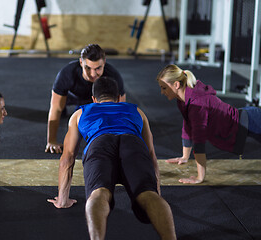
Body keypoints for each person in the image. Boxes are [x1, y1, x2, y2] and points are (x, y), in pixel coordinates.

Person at [48, 77, 176, 240]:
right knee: (148, 195)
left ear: (94, 99)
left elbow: (68, 158)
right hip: (132, 143)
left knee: (98, 194)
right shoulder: (137, 111)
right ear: (118, 98)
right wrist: (156, 192)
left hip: (99, 144)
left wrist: (62, 200)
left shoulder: (80, 113)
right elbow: (151, 155)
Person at [157, 64, 261, 184]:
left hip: (251, 122)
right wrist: (185, 157)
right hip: (245, 121)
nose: (161, 92)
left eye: (164, 88)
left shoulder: (197, 104)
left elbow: (199, 141)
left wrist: (200, 178)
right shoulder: (183, 100)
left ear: (176, 85)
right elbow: (187, 126)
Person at [45, 44, 126, 154]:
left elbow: (120, 109)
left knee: (103, 115)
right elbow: (55, 109)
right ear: (81, 63)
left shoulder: (113, 76)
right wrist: (51, 141)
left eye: (98, 68)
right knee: (61, 108)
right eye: (88, 68)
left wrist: (119, 142)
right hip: (72, 98)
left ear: (104, 63)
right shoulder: (67, 74)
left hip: (96, 100)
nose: (93, 74)